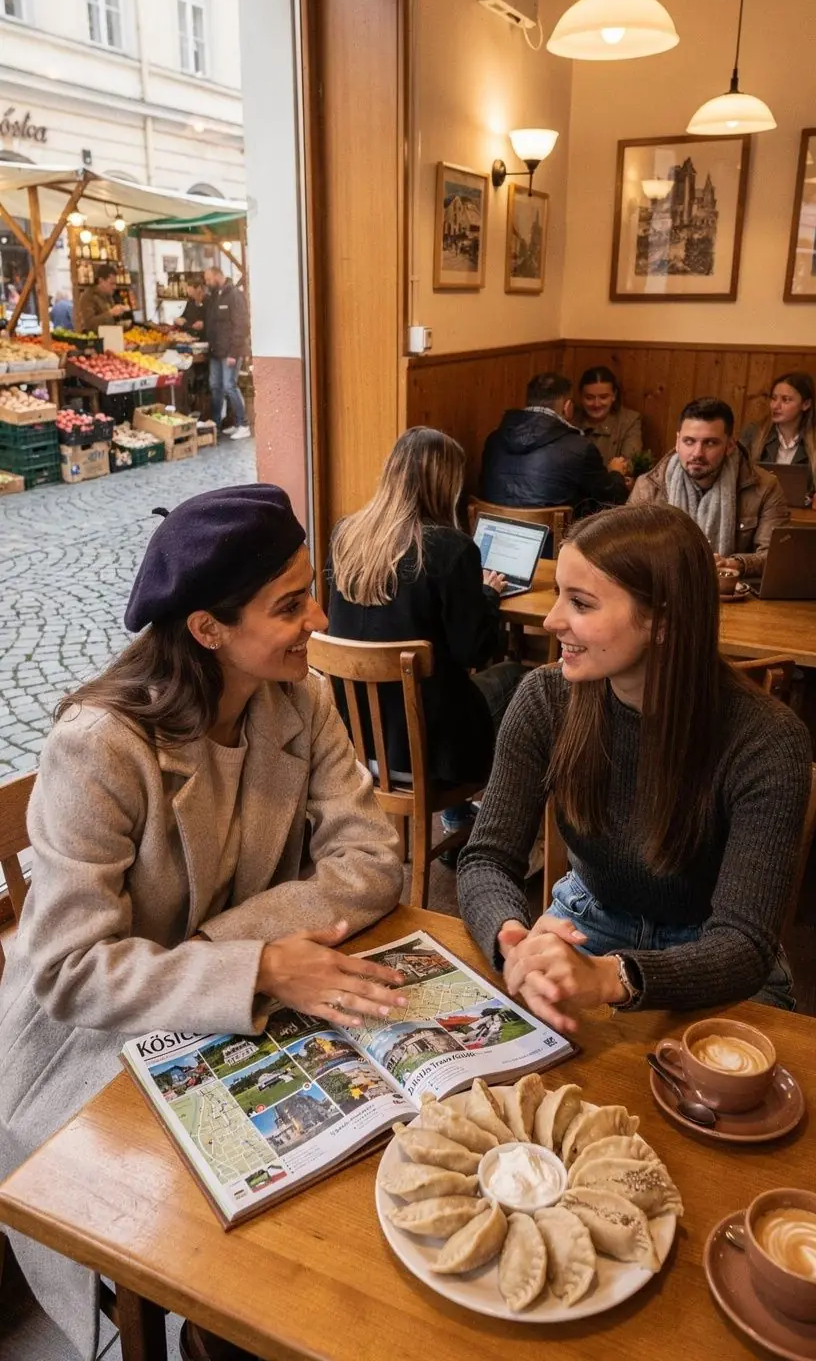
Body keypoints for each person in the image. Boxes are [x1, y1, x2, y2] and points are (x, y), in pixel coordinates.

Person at [0, 484, 404, 1361]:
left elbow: (373, 862)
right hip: (88, 1047)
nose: (319, 618)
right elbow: (70, 973)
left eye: (310, 591)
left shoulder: (298, 699)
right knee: (250, 1229)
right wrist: (258, 966)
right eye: (290, 605)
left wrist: (238, 954)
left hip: (218, 1002)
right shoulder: (99, 745)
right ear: (207, 629)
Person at [457, 504, 811, 1034]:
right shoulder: (545, 699)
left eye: (579, 603)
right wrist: (512, 936)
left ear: (663, 620)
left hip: (710, 950)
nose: (552, 621)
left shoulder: (765, 739)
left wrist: (613, 977)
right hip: (587, 919)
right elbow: (486, 857)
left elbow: (743, 943)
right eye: (559, 597)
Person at [328, 427, 522, 843]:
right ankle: (501, 830)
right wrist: (487, 596)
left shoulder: (346, 536)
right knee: (518, 678)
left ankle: (456, 818)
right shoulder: (451, 549)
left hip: (357, 748)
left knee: (439, 689)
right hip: (431, 757)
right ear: (446, 483)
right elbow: (477, 650)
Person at [628, 397, 789, 578]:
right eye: (689, 441)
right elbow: (627, 549)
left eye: (710, 443)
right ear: (677, 441)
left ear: (729, 446)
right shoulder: (648, 486)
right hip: (665, 588)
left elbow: (775, 557)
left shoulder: (765, 487)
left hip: (732, 591)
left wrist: (735, 564)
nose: (697, 453)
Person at [479, 372, 628, 518]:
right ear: (567, 407)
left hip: (491, 534)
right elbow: (610, 502)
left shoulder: (494, 439)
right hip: (555, 540)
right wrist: (615, 474)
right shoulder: (580, 448)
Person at [741, 372, 816, 499]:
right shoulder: (754, 433)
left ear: (806, 404)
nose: (775, 406)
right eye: (774, 398)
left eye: (786, 400)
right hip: (759, 509)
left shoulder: (813, 440)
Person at [564, 366, 643, 472]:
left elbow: (629, 464)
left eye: (603, 397)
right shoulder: (571, 419)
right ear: (581, 397)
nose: (596, 404)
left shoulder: (629, 421)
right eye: (589, 398)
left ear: (613, 396)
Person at [204, 265, 251, 439]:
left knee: (229, 386)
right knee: (215, 386)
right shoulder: (216, 297)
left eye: (209, 279)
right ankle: (216, 423)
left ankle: (243, 424)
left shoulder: (234, 296)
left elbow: (241, 325)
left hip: (230, 351)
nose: (207, 283)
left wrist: (233, 352)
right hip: (216, 351)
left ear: (217, 276)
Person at [75, 263, 128, 333]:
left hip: (110, 338)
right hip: (95, 341)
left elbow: (111, 321)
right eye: (111, 283)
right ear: (101, 281)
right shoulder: (88, 297)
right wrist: (111, 313)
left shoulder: (108, 295)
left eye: (115, 284)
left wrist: (120, 312)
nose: (115, 287)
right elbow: (89, 325)